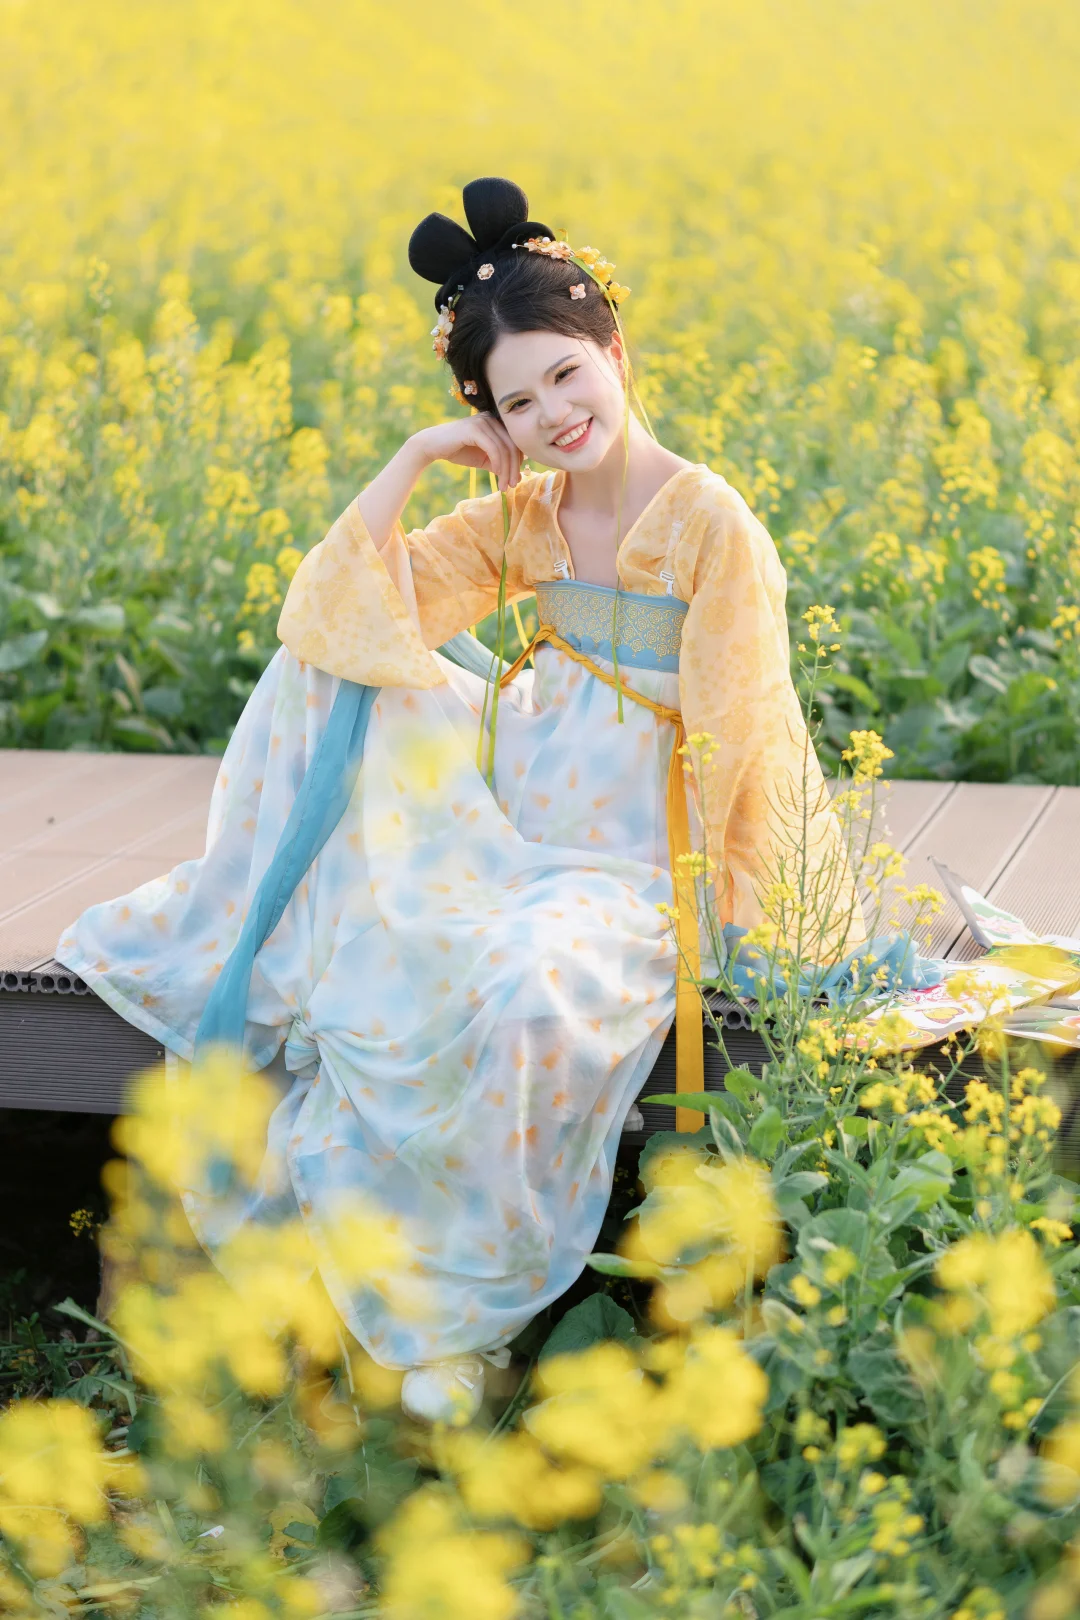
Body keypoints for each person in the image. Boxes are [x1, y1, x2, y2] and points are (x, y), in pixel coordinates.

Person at [57, 177, 862, 1424]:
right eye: (514, 402)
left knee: (526, 983)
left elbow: (739, 734)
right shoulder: (530, 514)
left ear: (615, 353)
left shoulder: (708, 521)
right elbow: (336, 612)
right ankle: (289, 986)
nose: (552, 416)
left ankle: (453, 1313)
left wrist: (736, 916)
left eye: (565, 377)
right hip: (523, 817)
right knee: (329, 682)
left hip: (649, 850)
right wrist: (416, 458)